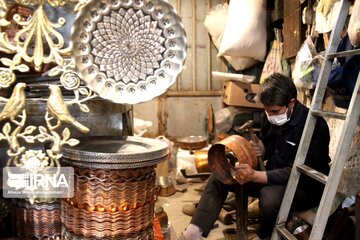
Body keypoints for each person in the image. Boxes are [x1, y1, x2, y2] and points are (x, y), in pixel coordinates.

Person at [179, 73, 331, 239]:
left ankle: (264, 235)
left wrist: (256, 176)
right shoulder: (272, 116)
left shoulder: (314, 126)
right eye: (267, 111)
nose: (271, 116)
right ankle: (194, 231)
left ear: (291, 103)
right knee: (223, 173)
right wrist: (262, 148)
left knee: (269, 197)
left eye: (275, 111)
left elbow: (300, 173)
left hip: (305, 187)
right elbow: (269, 145)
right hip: (272, 173)